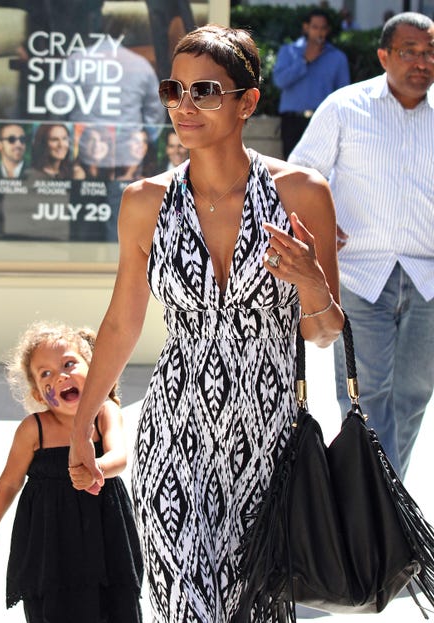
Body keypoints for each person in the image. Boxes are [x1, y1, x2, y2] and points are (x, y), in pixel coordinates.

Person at [68, 24, 344, 622]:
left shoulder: (301, 193)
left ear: (248, 101)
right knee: (184, 598)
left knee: (256, 604)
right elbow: (121, 322)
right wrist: (84, 421)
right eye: (175, 89)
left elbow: (323, 334)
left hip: (267, 431)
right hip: (175, 428)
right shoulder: (145, 201)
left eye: (205, 91)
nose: (183, 106)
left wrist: (312, 282)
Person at [288, 12, 434, 479]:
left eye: (430, 52)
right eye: (409, 51)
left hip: (428, 279)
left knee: (413, 395)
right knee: (364, 395)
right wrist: (318, 226)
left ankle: (388, 502)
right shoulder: (345, 107)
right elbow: (300, 176)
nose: (422, 61)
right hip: (359, 275)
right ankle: (383, 510)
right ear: (384, 56)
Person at [0, 322, 143, 623]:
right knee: (54, 609)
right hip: (50, 544)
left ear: (93, 368)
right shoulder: (33, 430)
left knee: (114, 605)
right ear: (38, 394)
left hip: (104, 536)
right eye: (46, 373)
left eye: (69, 364)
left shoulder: (105, 412)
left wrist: (96, 468)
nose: (61, 375)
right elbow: (10, 481)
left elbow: (120, 457)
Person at [272, 8, 350, 158]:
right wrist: (304, 61)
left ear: (328, 30)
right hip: (292, 121)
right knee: (290, 171)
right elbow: (279, 81)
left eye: (323, 28)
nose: (319, 32)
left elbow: (343, 94)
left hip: (323, 121)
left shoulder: (337, 58)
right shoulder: (289, 51)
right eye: (315, 27)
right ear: (306, 27)